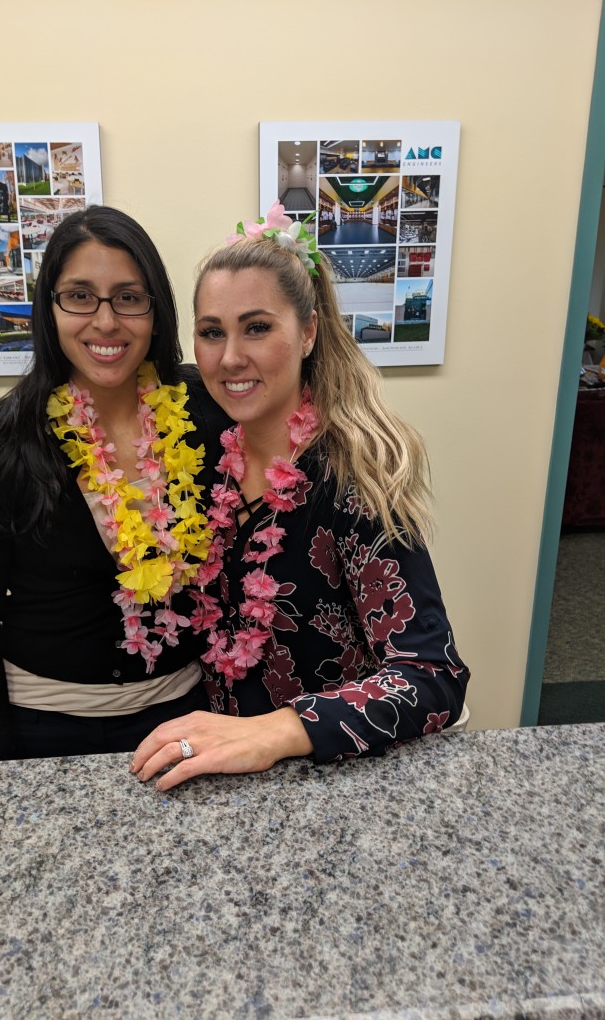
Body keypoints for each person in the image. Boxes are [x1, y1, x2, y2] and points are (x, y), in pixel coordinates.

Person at [131, 202, 470, 790]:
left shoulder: (353, 473)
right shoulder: (206, 458)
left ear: (308, 330)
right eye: (212, 332)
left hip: (332, 782)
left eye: (257, 327)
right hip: (222, 778)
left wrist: (273, 733)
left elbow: (431, 673)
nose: (230, 357)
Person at [0, 205, 228, 762]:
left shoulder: (207, 412)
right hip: (44, 727)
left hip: (188, 716)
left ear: (155, 309)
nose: (105, 322)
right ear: (49, 306)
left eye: (128, 297)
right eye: (79, 295)